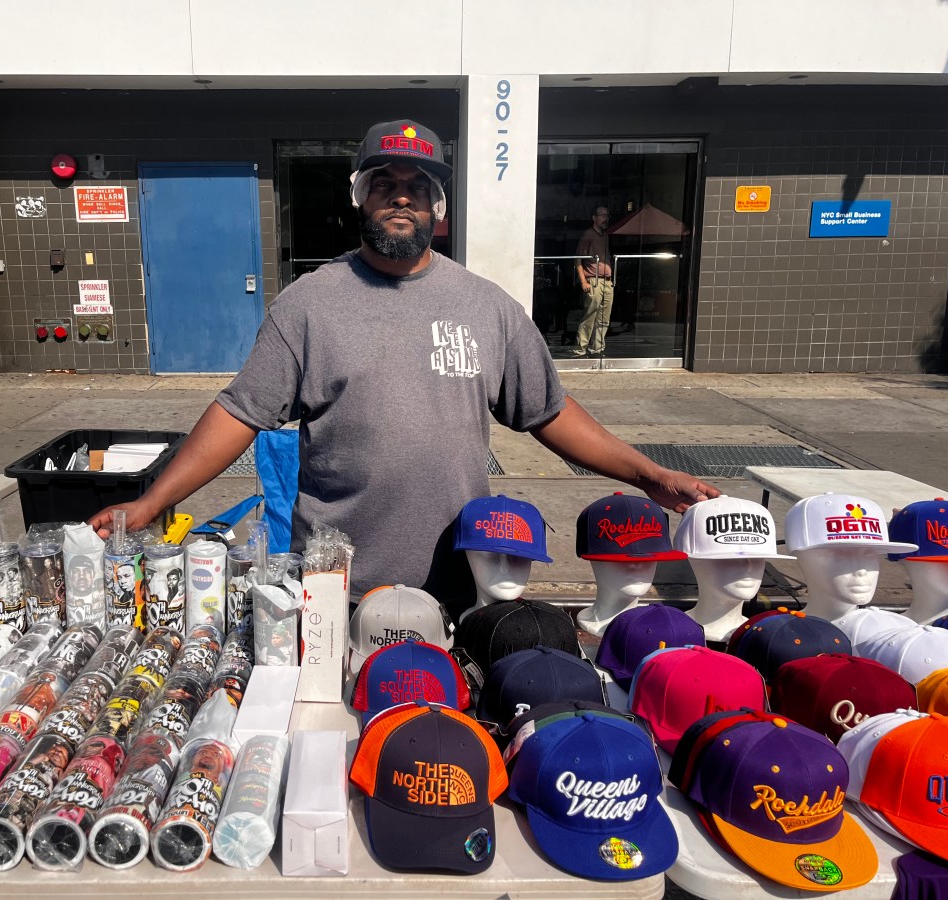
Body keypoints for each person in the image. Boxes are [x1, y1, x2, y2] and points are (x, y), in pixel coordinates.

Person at [88, 119, 718, 618]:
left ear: (436, 210)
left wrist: (648, 474)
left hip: (459, 578)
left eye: (417, 187)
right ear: (361, 200)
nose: (401, 198)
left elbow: (549, 412)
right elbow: (239, 412)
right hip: (334, 587)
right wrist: (151, 503)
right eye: (385, 184)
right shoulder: (310, 302)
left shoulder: (486, 306)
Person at [574, 206, 614, 357]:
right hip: (593, 279)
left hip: (607, 281)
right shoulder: (588, 235)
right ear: (594, 218)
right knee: (589, 316)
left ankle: (597, 348)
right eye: (602, 215)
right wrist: (583, 281)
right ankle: (580, 349)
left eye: (607, 215)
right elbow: (578, 259)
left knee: (604, 317)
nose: (605, 219)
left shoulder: (605, 236)